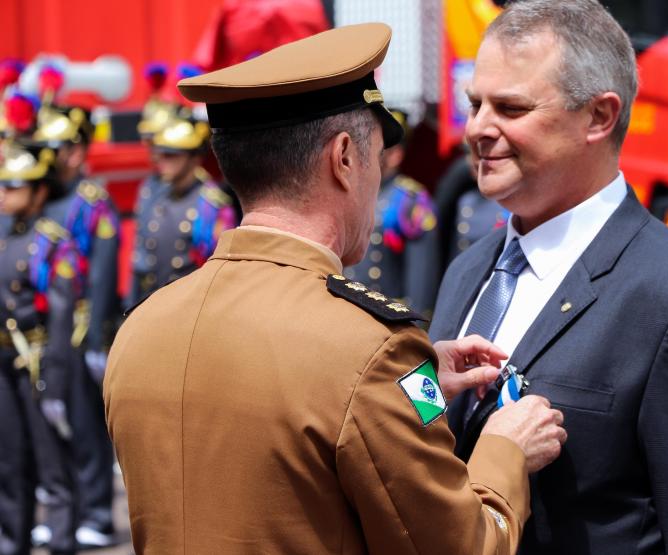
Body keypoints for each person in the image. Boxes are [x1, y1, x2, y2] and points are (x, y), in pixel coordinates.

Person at [104, 22, 567, 554]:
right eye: (373, 155)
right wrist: (505, 450)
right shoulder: (374, 353)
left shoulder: (142, 328)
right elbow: (464, 546)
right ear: (344, 158)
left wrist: (414, 386)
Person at [427, 1, 668, 553]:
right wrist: (417, 387)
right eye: (475, 103)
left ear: (599, 116)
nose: (478, 128)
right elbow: (430, 445)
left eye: (510, 107)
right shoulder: (469, 271)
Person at [30, 103, 120, 548]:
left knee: (86, 425)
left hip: (81, 326)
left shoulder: (92, 202)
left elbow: (102, 275)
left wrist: (98, 338)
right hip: (46, 328)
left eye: (61, 147)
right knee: (49, 425)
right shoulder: (41, 196)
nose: (54, 155)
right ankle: (63, 506)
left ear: (79, 150)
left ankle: (98, 513)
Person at [0, 143, 80, 555]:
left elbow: (62, 320)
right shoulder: (5, 236)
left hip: (38, 367)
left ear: (38, 192)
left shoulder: (51, 243)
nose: (4, 194)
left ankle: (62, 542)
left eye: (13, 187)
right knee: (11, 464)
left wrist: (55, 382)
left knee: (52, 468)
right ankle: (13, 542)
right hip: (4, 369)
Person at [125, 108, 236, 308]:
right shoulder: (157, 196)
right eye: (161, 154)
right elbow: (141, 262)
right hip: (153, 304)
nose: (162, 162)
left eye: (171, 155)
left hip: (190, 308)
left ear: (193, 158)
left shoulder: (211, 206)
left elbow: (222, 272)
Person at [344, 109, 439, 317]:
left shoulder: (411, 200)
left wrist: (416, 326)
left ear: (395, 156)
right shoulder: (349, 190)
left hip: (388, 320)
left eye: (374, 149)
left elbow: (421, 278)